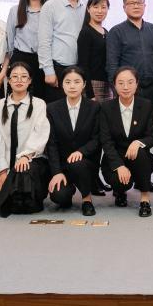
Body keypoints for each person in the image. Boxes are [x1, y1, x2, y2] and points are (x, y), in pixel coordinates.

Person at [0, 60, 50, 216]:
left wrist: (25, 156)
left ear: (30, 81)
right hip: (7, 164)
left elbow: (40, 133)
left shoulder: (39, 104)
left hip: (31, 161)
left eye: (23, 76)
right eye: (14, 76)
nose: (19, 80)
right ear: (8, 80)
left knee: (24, 180)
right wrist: (2, 170)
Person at [98, 66, 153, 216]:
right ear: (114, 85)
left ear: (137, 84)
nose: (125, 87)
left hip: (138, 158)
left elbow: (151, 137)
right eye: (121, 83)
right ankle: (120, 191)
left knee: (141, 153)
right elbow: (106, 141)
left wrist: (138, 143)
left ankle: (145, 198)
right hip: (115, 157)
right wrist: (119, 165)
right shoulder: (106, 107)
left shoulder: (146, 105)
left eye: (130, 82)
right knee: (119, 182)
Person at [45, 66, 101, 216]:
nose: (72, 86)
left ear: (84, 84)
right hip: (63, 165)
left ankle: (86, 199)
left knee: (78, 163)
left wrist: (81, 152)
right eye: (68, 82)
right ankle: (68, 192)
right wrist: (56, 172)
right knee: (59, 196)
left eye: (77, 82)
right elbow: (51, 144)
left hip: (86, 162)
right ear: (62, 84)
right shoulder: (52, 108)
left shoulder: (95, 107)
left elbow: (97, 138)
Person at [38, 0, 87, 97]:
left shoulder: (87, 5)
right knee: (56, 108)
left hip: (81, 69)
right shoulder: (50, 6)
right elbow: (44, 41)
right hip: (58, 69)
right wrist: (49, 71)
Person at [106, 0, 153, 103]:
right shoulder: (116, 31)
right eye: (131, 3)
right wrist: (116, 89)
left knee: (150, 115)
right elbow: (112, 64)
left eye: (139, 3)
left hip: (152, 86)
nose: (136, 6)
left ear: (144, 6)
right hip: (127, 87)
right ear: (124, 7)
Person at [6, 0, 51, 102]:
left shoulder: (51, 9)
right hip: (21, 61)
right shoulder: (15, 10)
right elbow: (9, 42)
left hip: (45, 62)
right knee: (18, 101)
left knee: (42, 102)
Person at [77, 0, 110, 100]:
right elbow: (83, 65)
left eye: (103, 7)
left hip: (107, 84)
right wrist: (90, 92)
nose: (100, 11)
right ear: (88, 9)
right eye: (95, 7)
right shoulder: (86, 32)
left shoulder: (106, 32)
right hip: (93, 84)